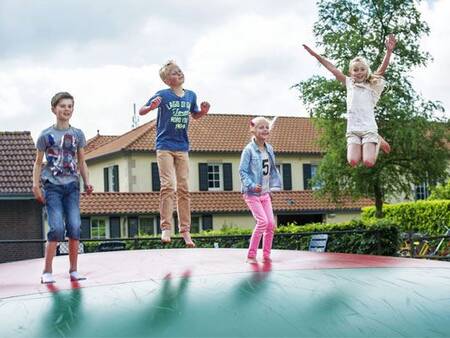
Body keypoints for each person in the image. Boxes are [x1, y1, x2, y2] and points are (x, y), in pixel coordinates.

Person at [139, 60, 210, 247]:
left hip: (182, 147)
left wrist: (202, 111)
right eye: (174, 73)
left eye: (180, 71)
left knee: (184, 188)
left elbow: (194, 115)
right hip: (164, 146)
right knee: (168, 185)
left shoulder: (190, 95)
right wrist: (151, 107)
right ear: (166, 80)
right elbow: (142, 110)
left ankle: (185, 231)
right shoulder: (163, 95)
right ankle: (166, 227)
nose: (179, 74)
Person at [303, 34, 397, 167]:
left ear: (367, 71)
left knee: (368, 162)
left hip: (369, 129)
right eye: (356, 70)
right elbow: (332, 69)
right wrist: (315, 55)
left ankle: (377, 138)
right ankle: (374, 140)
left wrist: (388, 52)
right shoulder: (349, 83)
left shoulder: (371, 85)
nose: (359, 72)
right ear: (351, 72)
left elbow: (382, 69)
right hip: (353, 129)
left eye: (362, 69)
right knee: (352, 161)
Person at [33, 92, 93, 284]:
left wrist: (87, 181)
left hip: (72, 187)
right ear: (54, 109)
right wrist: (36, 186)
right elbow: (37, 163)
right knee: (57, 228)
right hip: (53, 188)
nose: (66, 109)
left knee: (75, 226)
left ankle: (74, 270)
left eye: (69, 106)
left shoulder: (77, 134)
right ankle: (47, 271)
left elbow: (82, 161)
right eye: (62, 106)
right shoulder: (45, 135)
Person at [239, 117, 282, 263]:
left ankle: (266, 255)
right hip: (252, 194)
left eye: (266, 127)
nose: (265, 130)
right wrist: (251, 185)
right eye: (261, 127)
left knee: (271, 224)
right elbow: (243, 172)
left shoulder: (269, 149)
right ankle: (251, 255)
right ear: (253, 129)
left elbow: (270, 170)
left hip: (265, 193)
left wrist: (269, 188)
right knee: (262, 222)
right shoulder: (248, 150)